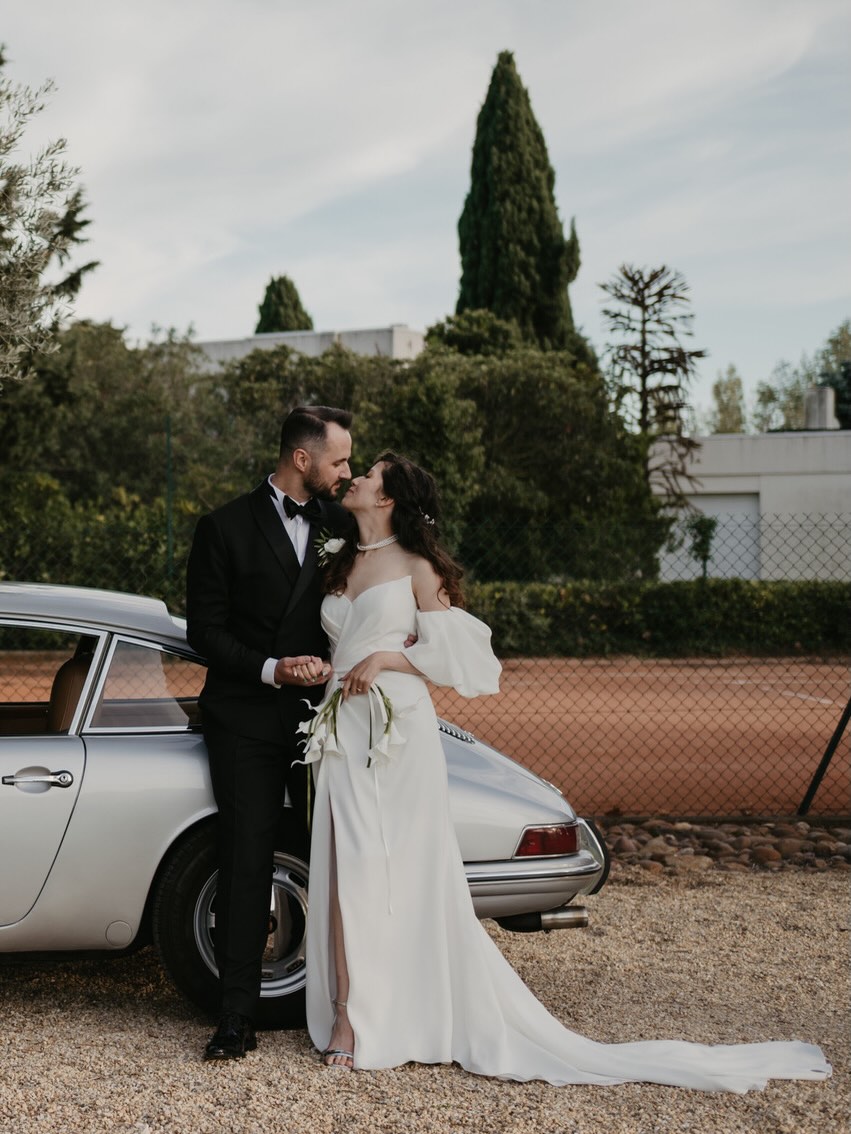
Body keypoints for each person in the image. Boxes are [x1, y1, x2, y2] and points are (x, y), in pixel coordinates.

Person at [298, 451, 831, 1090]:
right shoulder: (339, 560)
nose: (355, 478)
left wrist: (386, 658)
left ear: (387, 498)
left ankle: (402, 1010)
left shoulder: (418, 568)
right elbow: (334, 640)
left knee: (398, 870)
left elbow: (460, 659)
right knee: (344, 868)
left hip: (398, 733)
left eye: (369, 475)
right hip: (341, 728)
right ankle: (347, 1014)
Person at [186, 405, 354, 1061]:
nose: (347, 472)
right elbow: (205, 631)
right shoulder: (223, 527)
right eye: (339, 460)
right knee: (245, 855)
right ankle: (235, 1016)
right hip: (245, 717)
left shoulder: (343, 524)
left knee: (340, 853)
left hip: (323, 716)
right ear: (302, 458)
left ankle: (350, 1008)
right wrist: (270, 668)